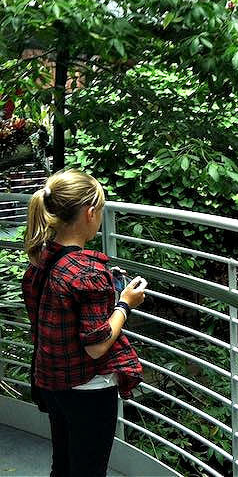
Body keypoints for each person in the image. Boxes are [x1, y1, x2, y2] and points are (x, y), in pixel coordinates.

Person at [22, 168, 145, 477]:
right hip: (88, 389)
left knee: (62, 465)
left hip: (52, 380)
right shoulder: (85, 272)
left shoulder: (41, 261)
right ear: (90, 212)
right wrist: (124, 304)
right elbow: (97, 344)